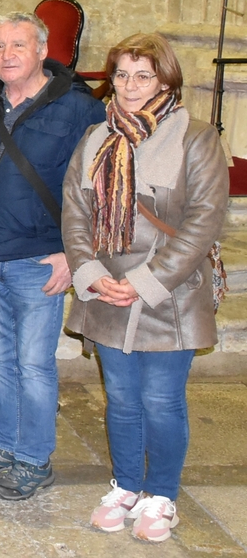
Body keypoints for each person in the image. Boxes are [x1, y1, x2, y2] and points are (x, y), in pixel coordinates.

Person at [63, 33, 227, 541]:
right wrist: (91, 275)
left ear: (165, 80)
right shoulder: (95, 139)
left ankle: (162, 496)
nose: (130, 86)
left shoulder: (194, 137)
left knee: (161, 399)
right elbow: (75, 214)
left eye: (143, 75)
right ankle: (126, 485)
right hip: (108, 292)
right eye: (121, 75)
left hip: (169, 296)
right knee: (122, 400)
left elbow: (203, 222)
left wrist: (144, 282)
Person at [0, 13, 105, 499]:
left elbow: (95, 191)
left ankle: (34, 457)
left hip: (40, 258)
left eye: (18, 45)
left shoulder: (78, 110)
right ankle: (4, 444)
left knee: (34, 363)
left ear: (41, 50)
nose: (7, 55)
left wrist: (73, 253)